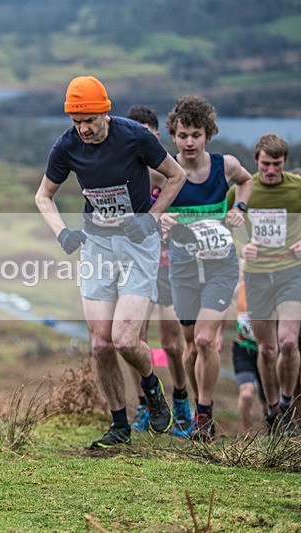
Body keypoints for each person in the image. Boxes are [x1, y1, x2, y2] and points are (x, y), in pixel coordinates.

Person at [35, 76, 187, 449]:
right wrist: (62, 233)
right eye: (76, 122)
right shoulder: (67, 146)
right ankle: (119, 424)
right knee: (101, 344)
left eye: (89, 120)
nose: (83, 129)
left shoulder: (134, 136)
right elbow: (43, 196)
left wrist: (150, 217)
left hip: (138, 245)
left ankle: (151, 384)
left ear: (106, 111)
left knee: (124, 339)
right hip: (97, 245)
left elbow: (176, 176)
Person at [161, 94, 253, 442]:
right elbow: (144, 204)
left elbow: (247, 180)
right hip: (183, 269)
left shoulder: (224, 166)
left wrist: (239, 209)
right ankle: (195, 405)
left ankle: (204, 416)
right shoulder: (165, 172)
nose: (189, 142)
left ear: (207, 135)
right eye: (183, 134)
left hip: (220, 267)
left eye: (196, 134)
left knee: (206, 340)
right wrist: (161, 219)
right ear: (173, 135)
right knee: (189, 348)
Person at [123, 105, 192, 437]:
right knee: (134, 340)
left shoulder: (170, 173)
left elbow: (191, 220)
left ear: (155, 136)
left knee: (172, 343)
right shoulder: (130, 176)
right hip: (137, 266)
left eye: (145, 134)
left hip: (169, 266)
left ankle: (180, 399)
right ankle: (144, 405)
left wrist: (168, 223)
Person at [233, 133, 301, 436]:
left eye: (276, 164)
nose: (271, 170)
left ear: (284, 162)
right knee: (268, 349)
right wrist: (242, 246)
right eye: (265, 164)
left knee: (288, 341)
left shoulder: (297, 188)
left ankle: (287, 402)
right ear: (256, 161)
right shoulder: (246, 189)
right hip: (258, 276)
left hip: (291, 273)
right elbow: (227, 224)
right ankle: (273, 408)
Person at [231, 278, 267, 433]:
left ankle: (271, 435)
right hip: (243, 349)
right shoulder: (241, 287)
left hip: (267, 353)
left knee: (268, 403)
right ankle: (248, 438)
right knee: (246, 395)